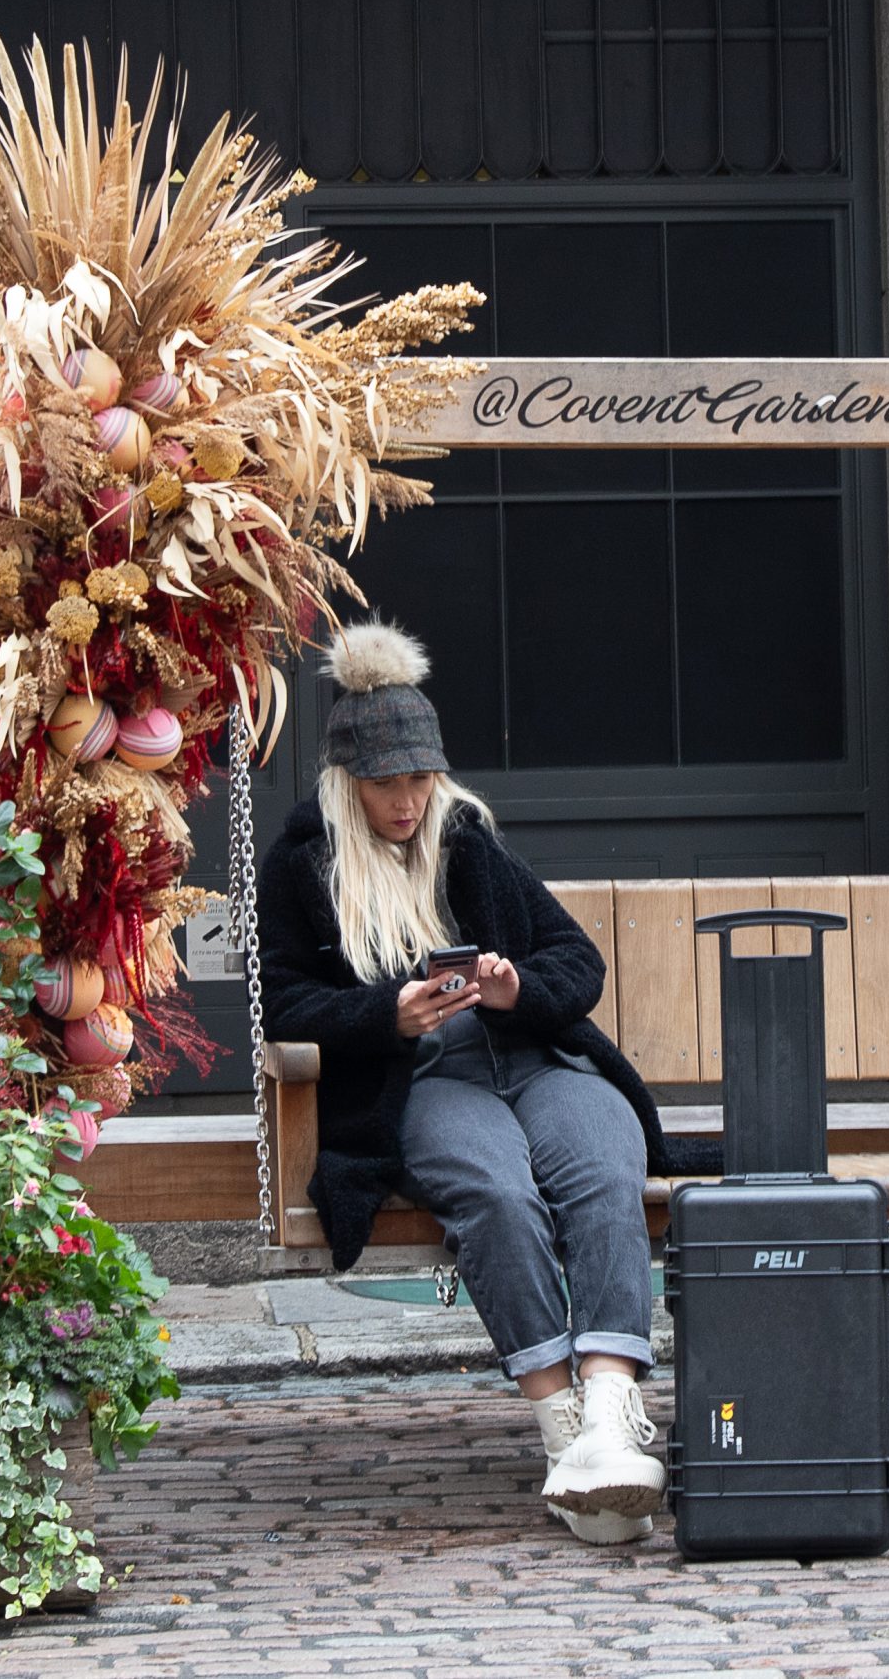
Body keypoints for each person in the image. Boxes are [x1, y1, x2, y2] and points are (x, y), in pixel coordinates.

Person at [258, 620, 711, 1546]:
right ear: (349, 781)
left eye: (420, 777)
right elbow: (284, 1002)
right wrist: (388, 1013)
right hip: (422, 1080)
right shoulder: (304, 863)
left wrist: (514, 991)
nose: (409, 800)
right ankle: (564, 1431)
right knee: (498, 1195)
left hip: (538, 1058)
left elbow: (574, 961)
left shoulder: (468, 840)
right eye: (388, 783)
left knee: (603, 1168)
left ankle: (611, 1420)